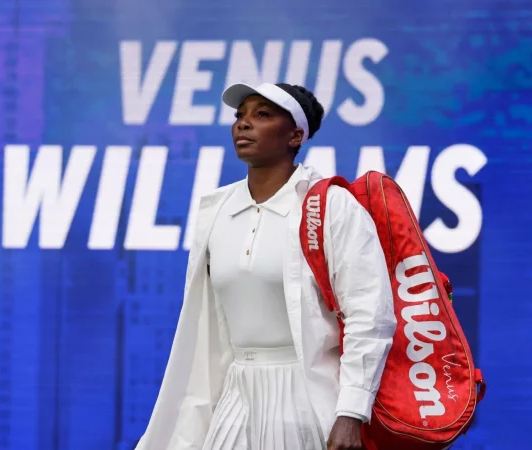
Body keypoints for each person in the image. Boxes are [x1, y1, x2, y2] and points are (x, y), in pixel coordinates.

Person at [135, 83, 395, 450]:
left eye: (262, 114)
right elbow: (209, 329)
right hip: (234, 397)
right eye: (240, 115)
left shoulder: (332, 206)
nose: (243, 124)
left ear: (295, 136)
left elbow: (370, 315)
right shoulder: (215, 209)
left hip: (309, 400)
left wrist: (352, 412)